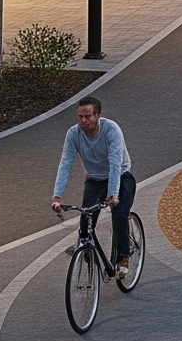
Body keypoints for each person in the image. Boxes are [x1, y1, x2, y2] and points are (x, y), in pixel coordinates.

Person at [51, 96, 135, 274]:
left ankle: (123, 258)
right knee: (86, 218)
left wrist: (113, 194)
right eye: (80, 116)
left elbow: (115, 163)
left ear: (98, 115)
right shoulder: (73, 134)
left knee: (119, 215)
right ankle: (85, 250)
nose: (83, 121)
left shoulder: (111, 130)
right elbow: (65, 163)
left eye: (88, 116)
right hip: (94, 178)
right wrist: (57, 196)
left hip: (120, 175)